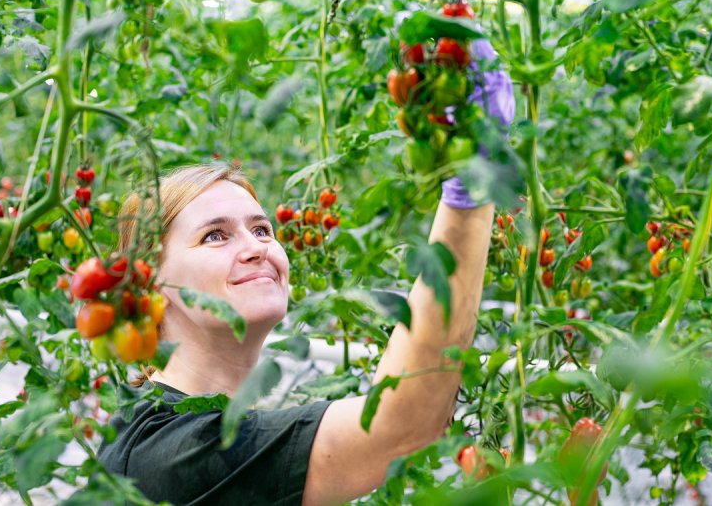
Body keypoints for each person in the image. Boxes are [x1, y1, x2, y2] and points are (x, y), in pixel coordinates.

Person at [97, 37, 514, 506]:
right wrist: (472, 182)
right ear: (150, 282)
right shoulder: (163, 452)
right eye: (215, 235)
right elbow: (400, 425)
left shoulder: (199, 424)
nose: (256, 248)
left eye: (261, 229)